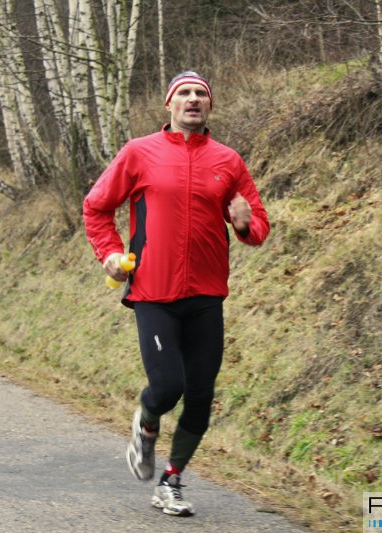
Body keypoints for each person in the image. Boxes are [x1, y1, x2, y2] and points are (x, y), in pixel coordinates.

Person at [83, 71, 270, 516]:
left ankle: (171, 481)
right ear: (169, 104)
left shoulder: (228, 161)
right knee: (168, 387)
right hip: (154, 291)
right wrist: (110, 253)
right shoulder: (139, 152)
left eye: (201, 94)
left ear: (210, 106)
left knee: (200, 396)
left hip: (206, 294)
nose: (192, 99)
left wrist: (245, 224)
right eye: (184, 93)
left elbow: (258, 225)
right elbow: (96, 207)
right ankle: (146, 424)